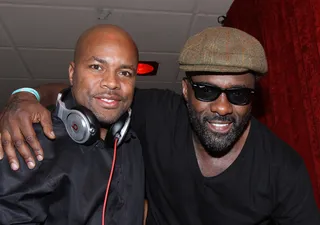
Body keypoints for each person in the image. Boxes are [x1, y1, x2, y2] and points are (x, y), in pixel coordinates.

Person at [1, 27, 319, 224]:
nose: (222, 107)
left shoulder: (283, 170)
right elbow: (91, 93)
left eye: (238, 94)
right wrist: (23, 96)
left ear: (253, 97)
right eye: (206, 91)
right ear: (185, 90)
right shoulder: (157, 112)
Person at [0, 24, 145, 224]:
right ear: (72, 73)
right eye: (97, 67)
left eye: (125, 72)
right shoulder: (33, 139)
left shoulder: (132, 144)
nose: (112, 82)